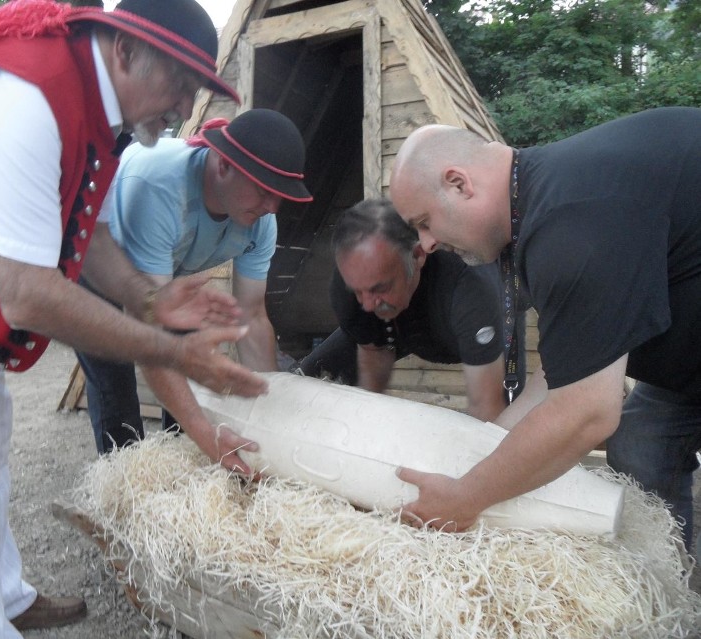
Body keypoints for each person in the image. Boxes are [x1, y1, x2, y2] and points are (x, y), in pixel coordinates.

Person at [0, 0, 268, 636]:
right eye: (181, 83)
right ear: (125, 51)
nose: (185, 109)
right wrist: (170, 349)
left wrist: (148, 298)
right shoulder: (20, 97)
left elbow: (90, 234)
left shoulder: (97, 110)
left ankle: (6, 597)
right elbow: (27, 294)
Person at [388, 107, 701, 546]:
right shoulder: (541, 203)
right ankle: (671, 583)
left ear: (459, 184)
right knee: (640, 441)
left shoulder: (569, 225)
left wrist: (466, 497)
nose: (427, 244)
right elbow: (562, 373)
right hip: (683, 363)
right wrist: (479, 450)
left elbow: (586, 412)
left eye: (424, 222)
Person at [77, 108, 312, 466]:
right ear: (223, 166)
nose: (272, 206)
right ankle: (124, 483)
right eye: (264, 190)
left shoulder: (261, 221)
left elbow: (252, 314)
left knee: (188, 349)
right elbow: (147, 323)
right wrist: (206, 433)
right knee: (115, 379)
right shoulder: (159, 188)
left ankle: (184, 466)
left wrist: (266, 405)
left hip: (162, 278)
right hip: (100, 261)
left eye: (279, 194)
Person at [299, 198, 508, 422]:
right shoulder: (350, 292)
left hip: (472, 321)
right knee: (306, 378)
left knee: (507, 418)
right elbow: (374, 355)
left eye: (379, 287)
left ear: (418, 255)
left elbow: (487, 409)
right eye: (358, 291)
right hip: (401, 321)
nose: (368, 305)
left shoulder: (470, 290)